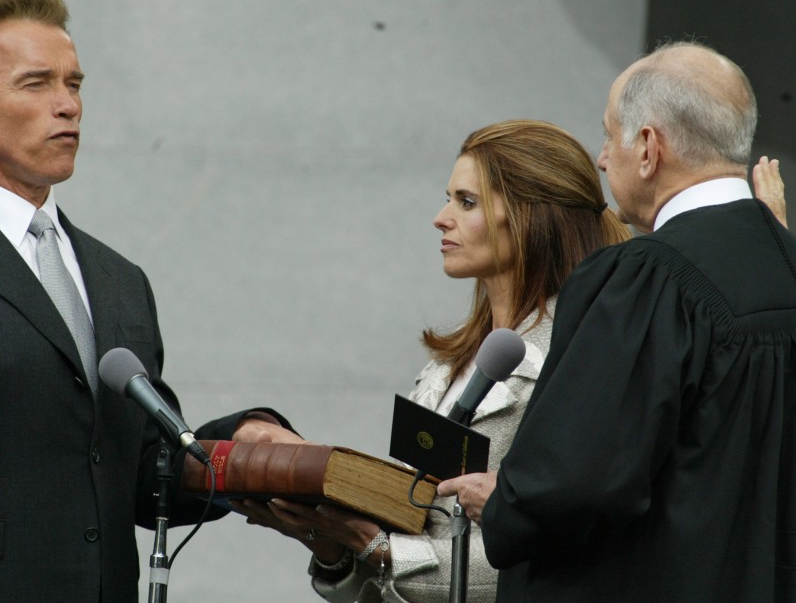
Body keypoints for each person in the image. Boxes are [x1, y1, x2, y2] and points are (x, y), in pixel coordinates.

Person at [0, 0, 299, 601]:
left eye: (74, 85)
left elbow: (136, 473)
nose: (67, 106)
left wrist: (241, 445)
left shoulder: (119, 280)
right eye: (36, 84)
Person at [441, 41, 796, 602]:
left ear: (649, 148)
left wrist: (509, 501)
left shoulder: (648, 280)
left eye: (610, 136)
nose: (603, 159)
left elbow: (576, 481)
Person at [234, 119, 634, 602]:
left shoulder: (575, 360)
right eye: (450, 198)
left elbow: (547, 559)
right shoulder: (447, 367)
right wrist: (330, 540)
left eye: (466, 202)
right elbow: (392, 564)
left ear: (529, 216)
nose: (440, 217)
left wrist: (376, 547)